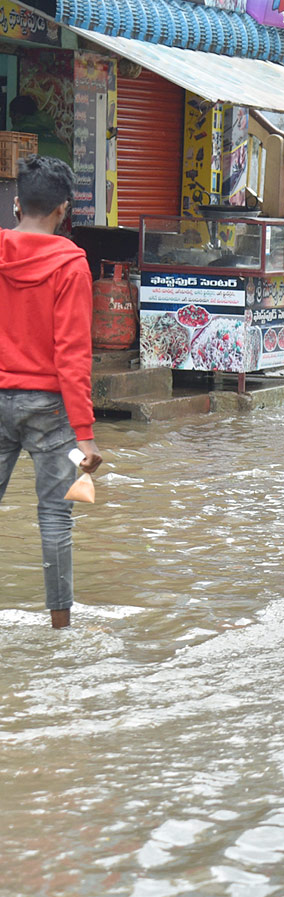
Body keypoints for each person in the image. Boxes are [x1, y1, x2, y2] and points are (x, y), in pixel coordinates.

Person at [0, 156, 103, 629]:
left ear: (17, 203)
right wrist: (85, 435)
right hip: (51, 411)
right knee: (55, 519)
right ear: (63, 210)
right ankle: (61, 631)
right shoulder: (71, 266)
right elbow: (72, 355)